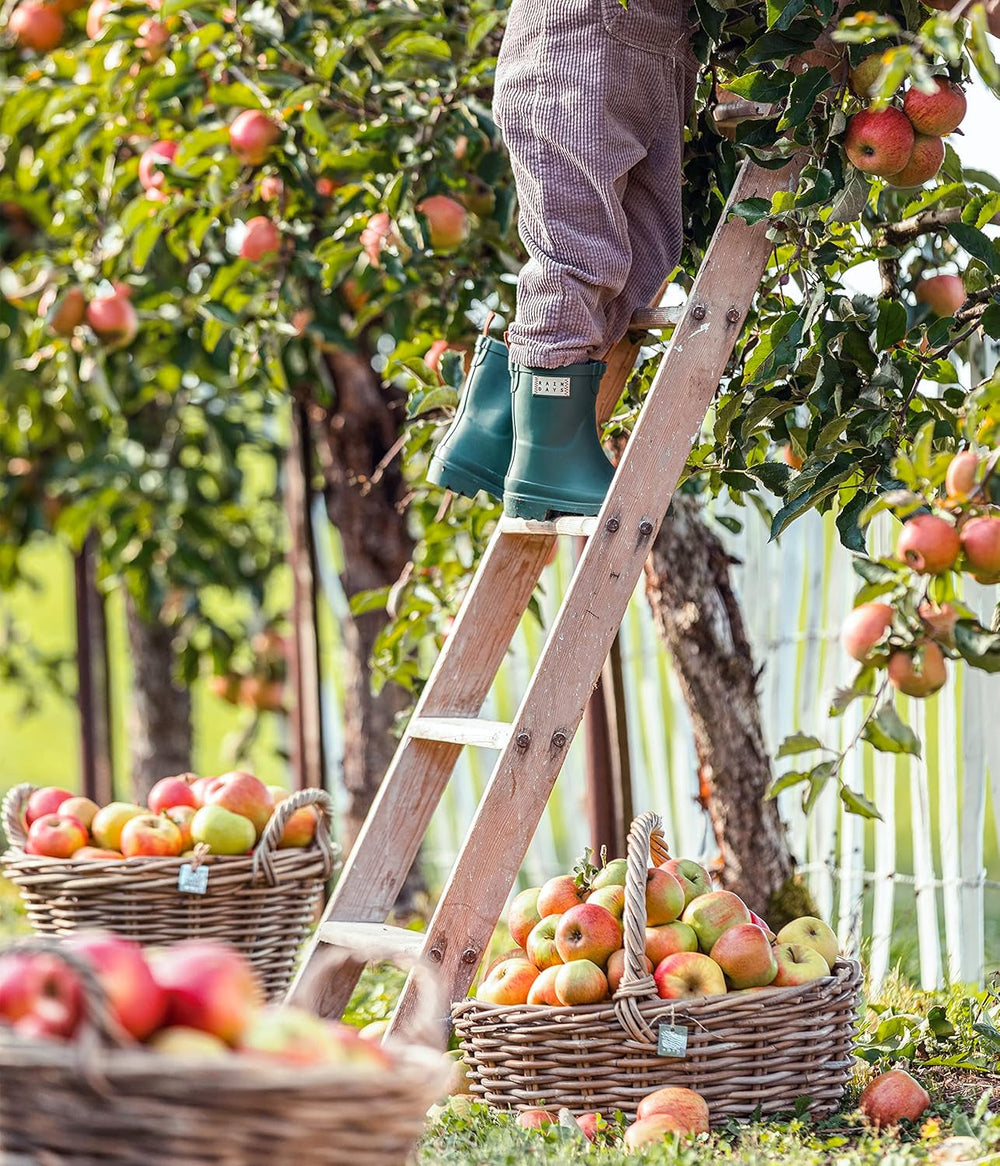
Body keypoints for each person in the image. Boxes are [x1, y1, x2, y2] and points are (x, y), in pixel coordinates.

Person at [428, 0, 698, 519]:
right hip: (589, 37)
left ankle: (499, 426)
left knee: (648, 249)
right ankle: (548, 458)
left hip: (647, 43)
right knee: (576, 251)